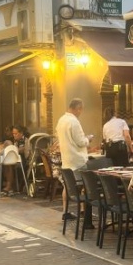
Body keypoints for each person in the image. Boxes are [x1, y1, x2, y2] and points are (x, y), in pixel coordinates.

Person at [56, 98, 96, 228]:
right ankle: (84, 211)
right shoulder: (74, 122)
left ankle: (65, 211)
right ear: (78, 108)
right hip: (78, 160)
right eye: (81, 110)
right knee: (85, 184)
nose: (80, 112)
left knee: (67, 185)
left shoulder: (61, 120)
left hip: (67, 159)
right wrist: (88, 139)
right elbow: (80, 142)